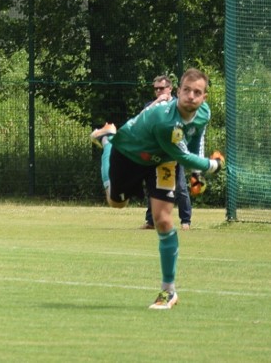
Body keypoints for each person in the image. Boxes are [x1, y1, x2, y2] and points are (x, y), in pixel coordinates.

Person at [90, 68, 224, 310]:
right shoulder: (166, 122)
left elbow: (194, 138)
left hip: (162, 160)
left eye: (197, 92)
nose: (191, 96)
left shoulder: (203, 112)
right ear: (178, 92)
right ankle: (107, 139)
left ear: (204, 97)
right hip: (130, 152)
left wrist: (196, 174)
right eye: (187, 90)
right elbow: (182, 154)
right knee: (116, 202)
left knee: (162, 220)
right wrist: (212, 165)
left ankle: (168, 291)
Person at [140, 75, 193, 231]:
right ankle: (150, 221)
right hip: (157, 153)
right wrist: (158, 101)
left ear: (170, 88)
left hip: (174, 152)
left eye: (161, 88)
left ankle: (186, 221)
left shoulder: (179, 105)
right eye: (156, 88)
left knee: (180, 187)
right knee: (153, 187)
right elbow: (143, 116)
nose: (158, 91)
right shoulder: (152, 105)